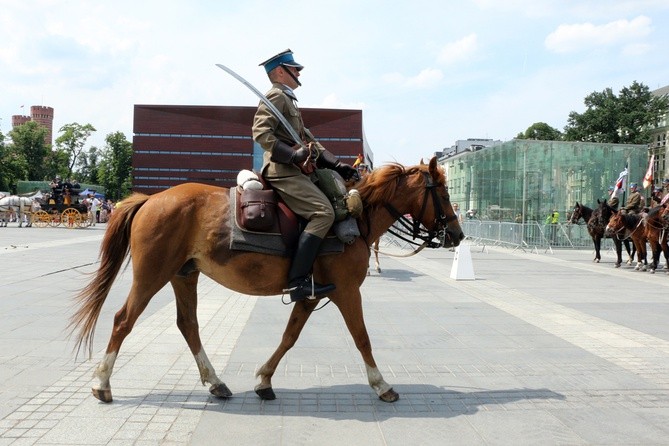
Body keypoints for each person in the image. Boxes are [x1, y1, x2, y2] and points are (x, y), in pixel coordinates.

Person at [252, 49, 357, 302]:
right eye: (294, 69)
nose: (299, 73)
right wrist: (292, 156)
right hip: (283, 171)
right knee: (324, 213)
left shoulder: (289, 100)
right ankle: (297, 282)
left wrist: (338, 164)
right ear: (280, 71)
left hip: (296, 169)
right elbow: (260, 132)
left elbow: (309, 141)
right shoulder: (276, 96)